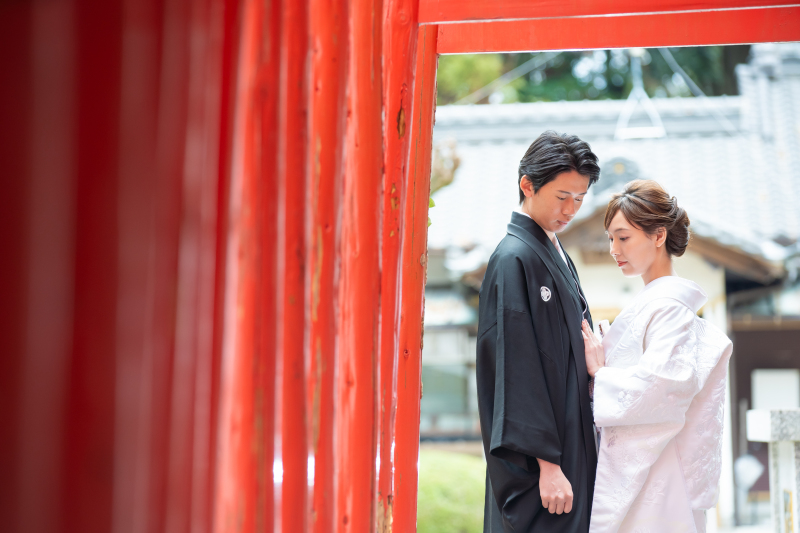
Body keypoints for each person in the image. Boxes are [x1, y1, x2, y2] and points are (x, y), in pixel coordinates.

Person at [581, 180, 733, 533]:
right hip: (655, 468)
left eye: (623, 237)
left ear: (658, 236)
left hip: (659, 472)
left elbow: (662, 386)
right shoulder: (660, 303)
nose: (613, 249)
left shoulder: (667, 308)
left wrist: (601, 374)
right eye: (610, 239)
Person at [477, 131, 600, 532]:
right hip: (543, 467)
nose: (571, 209)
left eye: (579, 199)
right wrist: (547, 465)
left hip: (572, 443)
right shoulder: (513, 257)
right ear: (527, 185)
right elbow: (517, 368)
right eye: (562, 196)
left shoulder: (554, 252)